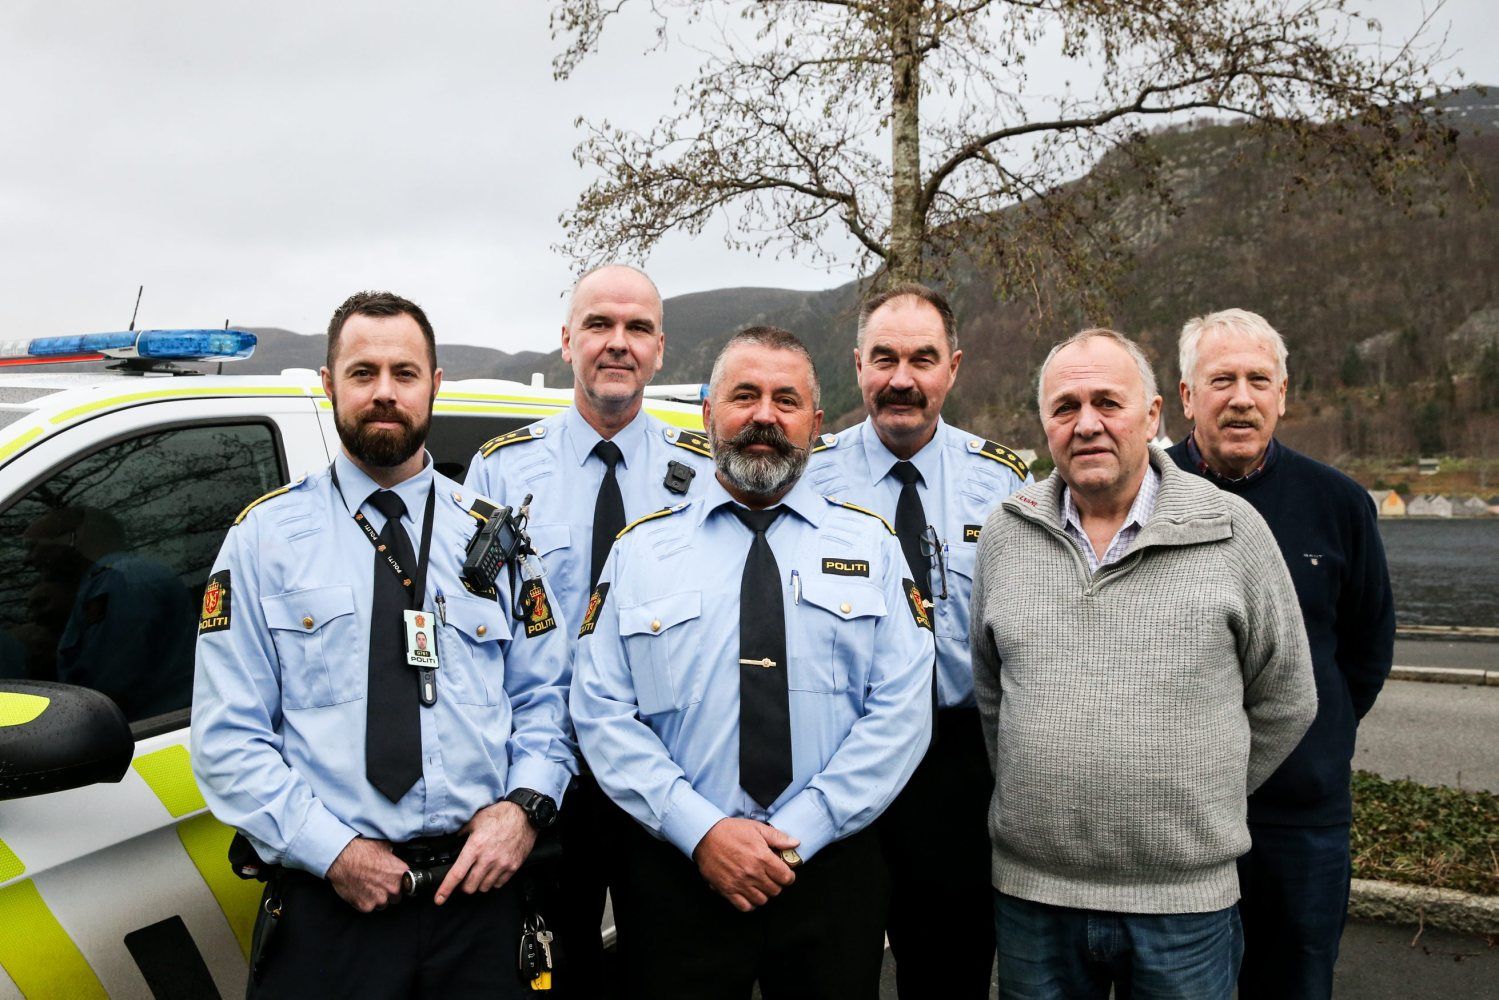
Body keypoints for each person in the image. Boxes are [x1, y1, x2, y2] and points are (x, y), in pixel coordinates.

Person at [192, 291, 575, 999]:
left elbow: (546, 701)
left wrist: (522, 811)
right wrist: (333, 852)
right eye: (362, 372)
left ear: (435, 385)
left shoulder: (495, 539)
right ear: (327, 384)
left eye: (404, 373)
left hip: (480, 899)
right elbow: (227, 739)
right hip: (330, 910)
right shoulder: (263, 542)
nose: (384, 393)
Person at [571, 326, 934, 999]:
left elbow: (902, 710)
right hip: (679, 870)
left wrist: (805, 828)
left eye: (785, 400)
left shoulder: (872, 545)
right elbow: (600, 712)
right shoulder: (640, 552)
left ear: (815, 424)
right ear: (709, 411)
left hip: (829, 871)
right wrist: (701, 830)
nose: (764, 416)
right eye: (744, 395)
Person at [969, 327, 1317, 999]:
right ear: (1043, 424)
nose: (1087, 424)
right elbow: (992, 695)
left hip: (1183, 907)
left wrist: (1200, 791)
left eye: (1107, 402)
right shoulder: (1005, 535)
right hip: (1033, 900)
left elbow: (1286, 696)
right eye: (1065, 407)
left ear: (1153, 415)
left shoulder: (1232, 530)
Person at [464, 263, 714, 996]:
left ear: (660, 349)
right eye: (599, 325)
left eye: (637, 328)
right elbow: (477, 632)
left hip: (666, 768)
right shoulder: (503, 471)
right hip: (548, 775)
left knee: (667, 968)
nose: (617, 343)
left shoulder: (703, 473)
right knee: (553, 967)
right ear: (566, 339)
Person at [806, 282, 1029, 997]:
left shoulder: (1004, 486)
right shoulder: (809, 478)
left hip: (956, 765)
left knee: (950, 968)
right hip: (839, 754)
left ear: (953, 367)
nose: (901, 379)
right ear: (858, 365)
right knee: (831, 967)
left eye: (922, 359)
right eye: (884, 358)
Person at [1167, 308, 1395, 1000]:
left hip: (1301, 818)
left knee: (1296, 982)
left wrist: (1314, 736)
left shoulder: (1339, 505)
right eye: (1221, 380)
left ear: (1282, 395)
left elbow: (1364, 648)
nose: (1241, 397)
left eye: (1258, 380)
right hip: (1174, 816)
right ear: (1184, 396)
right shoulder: (1142, 495)